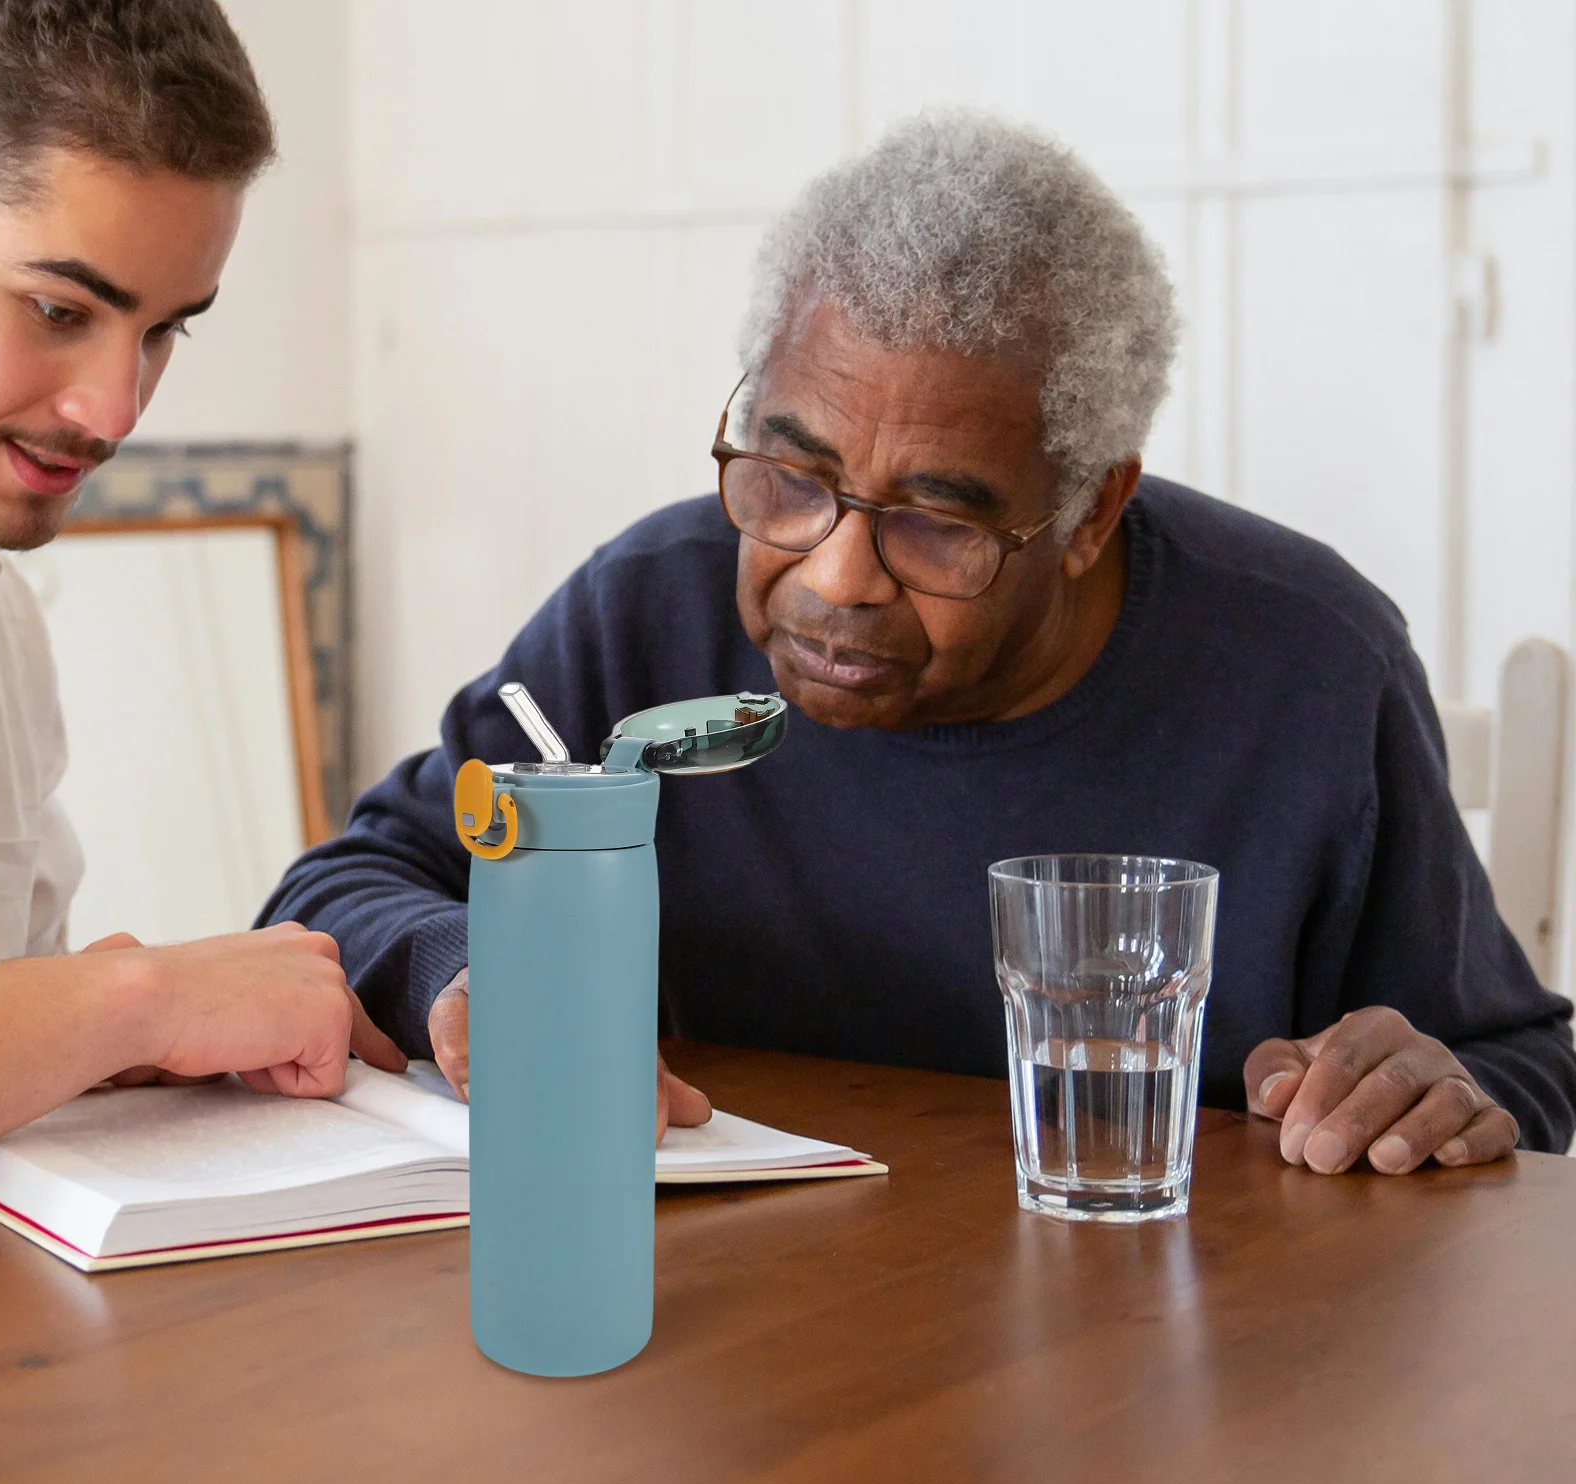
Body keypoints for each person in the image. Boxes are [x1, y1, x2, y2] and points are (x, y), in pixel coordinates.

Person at [263, 111, 1576, 1174]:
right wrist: (469, 970)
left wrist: (1429, 1095)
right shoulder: (646, 615)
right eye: (792, 478)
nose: (833, 577)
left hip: (1160, 1355)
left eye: (936, 523)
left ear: (1089, 512)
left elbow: (1519, 1070)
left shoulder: (1309, 667)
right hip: (742, 1345)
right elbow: (346, 884)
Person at [0, 0, 403, 1147]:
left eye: (167, 329)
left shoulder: (0, 619)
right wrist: (137, 1000)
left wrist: (112, 1038)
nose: (115, 410)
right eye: (58, 310)